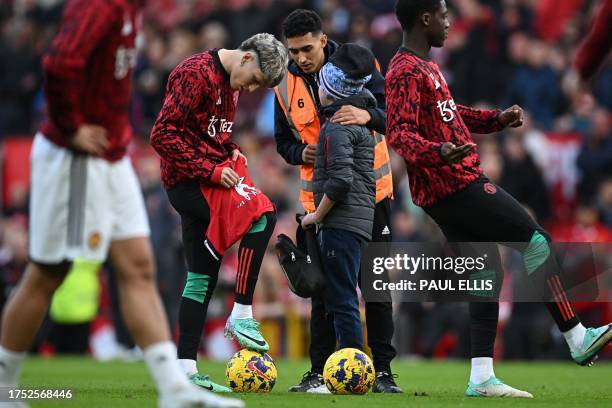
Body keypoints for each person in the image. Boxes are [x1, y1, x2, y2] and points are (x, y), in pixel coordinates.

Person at [0, 1, 243, 407]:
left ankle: (172, 389)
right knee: (49, 270)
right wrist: (70, 127)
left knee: (138, 265)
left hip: (112, 155)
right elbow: (59, 63)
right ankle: (5, 387)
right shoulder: (102, 4)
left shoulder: (130, 8)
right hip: (77, 156)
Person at [388, 0, 612, 398]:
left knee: (483, 272)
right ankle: (575, 335)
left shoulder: (425, 66)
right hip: (454, 184)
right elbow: (399, 133)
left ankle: (481, 377)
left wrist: (494, 120)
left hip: (444, 188)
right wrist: (438, 153)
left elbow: (448, 113)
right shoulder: (405, 69)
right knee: (535, 239)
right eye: (442, 14)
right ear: (424, 19)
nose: (448, 21)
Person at [150, 33, 287, 392]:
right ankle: (242, 313)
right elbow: (162, 135)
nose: (253, 87)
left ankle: (184, 370)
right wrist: (210, 169)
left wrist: (232, 150)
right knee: (263, 214)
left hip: (206, 179)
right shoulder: (195, 73)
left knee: (201, 277)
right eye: (255, 79)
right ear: (246, 58)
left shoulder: (232, 82)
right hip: (190, 183)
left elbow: (209, 135)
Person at [274, 9, 401, 394]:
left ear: (323, 40)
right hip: (317, 201)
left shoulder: (360, 62)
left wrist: (366, 114)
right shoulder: (283, 85)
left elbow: (392, 114)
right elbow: (283, 144)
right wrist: (301, 154)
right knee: (319, 289)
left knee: (375, 288)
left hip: (372, 195)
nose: (300, 58)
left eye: (307, 49)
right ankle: (320, 371)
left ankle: (381, 372)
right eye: (293, 51)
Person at [301, 43, 378, 356]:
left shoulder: (336, 128)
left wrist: (316, 216)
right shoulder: (359, 121)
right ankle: (353, 361)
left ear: (328, 89)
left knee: (342, 298)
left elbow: (341, 181)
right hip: (358, 221)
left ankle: (352, 365)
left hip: (341, 223)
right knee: (346, 294)